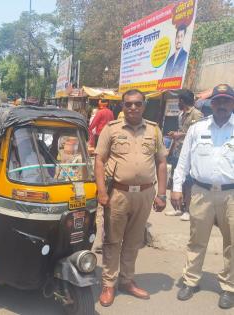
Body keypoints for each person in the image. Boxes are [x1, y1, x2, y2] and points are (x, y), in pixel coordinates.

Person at [95, 89, 167, 307]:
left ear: (144, 105)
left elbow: (161, 162)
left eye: (137, 104)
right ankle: (109, 283)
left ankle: (127, 280)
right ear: (122, 106)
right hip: (118, 193)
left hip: (145, 194)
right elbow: (99, 161)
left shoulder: (154, 130)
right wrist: (101, 191)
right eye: (128, 104)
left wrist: (161, 193)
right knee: (112, 240)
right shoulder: (111, 129)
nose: (133, 108)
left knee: (134, 241)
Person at [171, 84, 234, 310]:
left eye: (227, 101)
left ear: (232, 104)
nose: (222, 105)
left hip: (231, 194)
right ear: (212, 104)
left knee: (233, 243)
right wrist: (176, 187)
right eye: (218, 101)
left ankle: (229, 287)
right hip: (201, 192)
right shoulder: (197, 128)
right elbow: (184, 160)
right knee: (196, 239)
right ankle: (191, 280)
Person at [165, 89, 203, 221]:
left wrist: (180, 135)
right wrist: (174, 137)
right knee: (177, 179)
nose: (177, 103)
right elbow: (181, 132)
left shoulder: (197, 114)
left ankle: (187, 210)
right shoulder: (181, 115)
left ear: (182, 101)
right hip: (178, 152)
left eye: (178, 101)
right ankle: (178, 208)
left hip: (191, 154)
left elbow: (199, 134)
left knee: (188, 182)